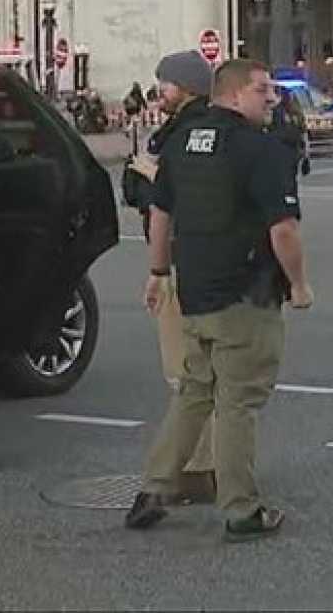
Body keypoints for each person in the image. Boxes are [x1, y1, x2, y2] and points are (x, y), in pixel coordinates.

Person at [126, 59, 314, 543]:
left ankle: (154, 488)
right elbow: (284, 229)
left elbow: (160, 209)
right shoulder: (260, 148)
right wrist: (298, 284)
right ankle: (241, 509)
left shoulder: (183, 141)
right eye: (261, 89)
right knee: (238, 402)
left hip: (196, 291)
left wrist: (157, 270)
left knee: (194, 392)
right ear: (231, 95)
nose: (271, 97)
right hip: (245, 294)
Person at [125, 51, 219, 500]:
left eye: (165, 83)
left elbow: (155, 193)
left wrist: (144, 176)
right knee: (199, 369)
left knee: (184, 368)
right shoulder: (198, 128)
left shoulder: (180, 135)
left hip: (180, 260)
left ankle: (198, 468)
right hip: (199, 259)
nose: (158, 91)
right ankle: (208, 464)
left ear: (186, 87)